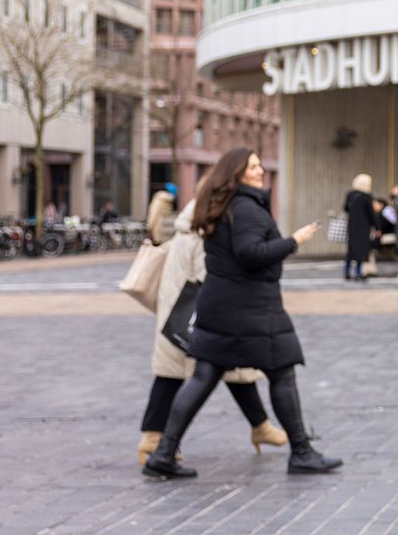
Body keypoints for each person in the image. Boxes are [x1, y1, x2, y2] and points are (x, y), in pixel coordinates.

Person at [141, 147, 341, 478]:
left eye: (260, 165)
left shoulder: (224, 204)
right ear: (237, 173)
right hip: (251, 308)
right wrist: (295, 241)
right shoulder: (246, 207)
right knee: (281, 371)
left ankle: (163, 454)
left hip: (220, 305)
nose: (260, 171)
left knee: (204, 377)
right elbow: (250, 253)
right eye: (253, 166)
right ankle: (302, 452)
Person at [138, 182, 288, 465]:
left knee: (223, 371)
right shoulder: (205, 228)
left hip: (176, 309)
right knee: (195, 372)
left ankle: (260, 426)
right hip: (193, 314)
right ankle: (155, 439)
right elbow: (209, 273)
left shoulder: (191, 220)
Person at [342, 174, 379, 282]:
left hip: (352, 226)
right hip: (363, 227)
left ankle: (346, 272)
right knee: (361, 250)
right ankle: (358, 273)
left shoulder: (350, 194)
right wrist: (377, 226)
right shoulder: (367, 196)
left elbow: (345, 208)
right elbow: (371, 214)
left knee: (351, 250)